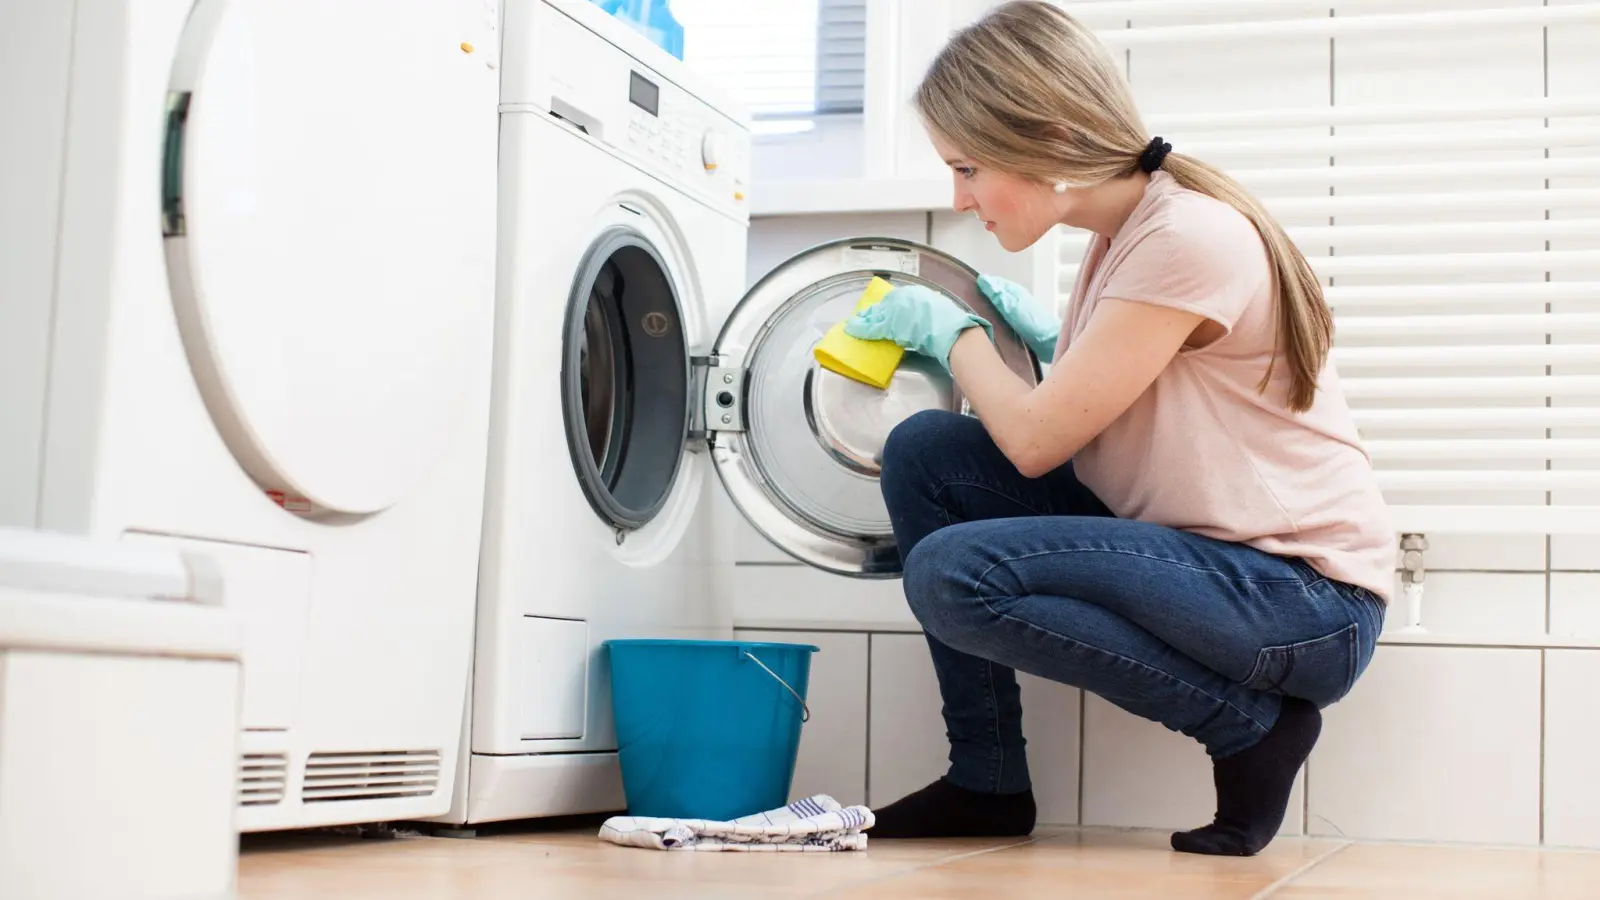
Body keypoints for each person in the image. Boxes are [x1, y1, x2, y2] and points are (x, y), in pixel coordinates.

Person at [841, 1, 1395, 858]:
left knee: (954, 574)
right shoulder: (1122, 233)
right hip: (1204, 560)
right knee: (926, 453)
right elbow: (1115, 412)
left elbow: (1033, 444)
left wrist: (956, 335)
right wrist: (1050, 348)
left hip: (1302, 601)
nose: (958, 197)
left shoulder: (1188, 233)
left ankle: (1250, 727)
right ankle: (986, 781)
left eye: (969, 167)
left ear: (1052, 141)